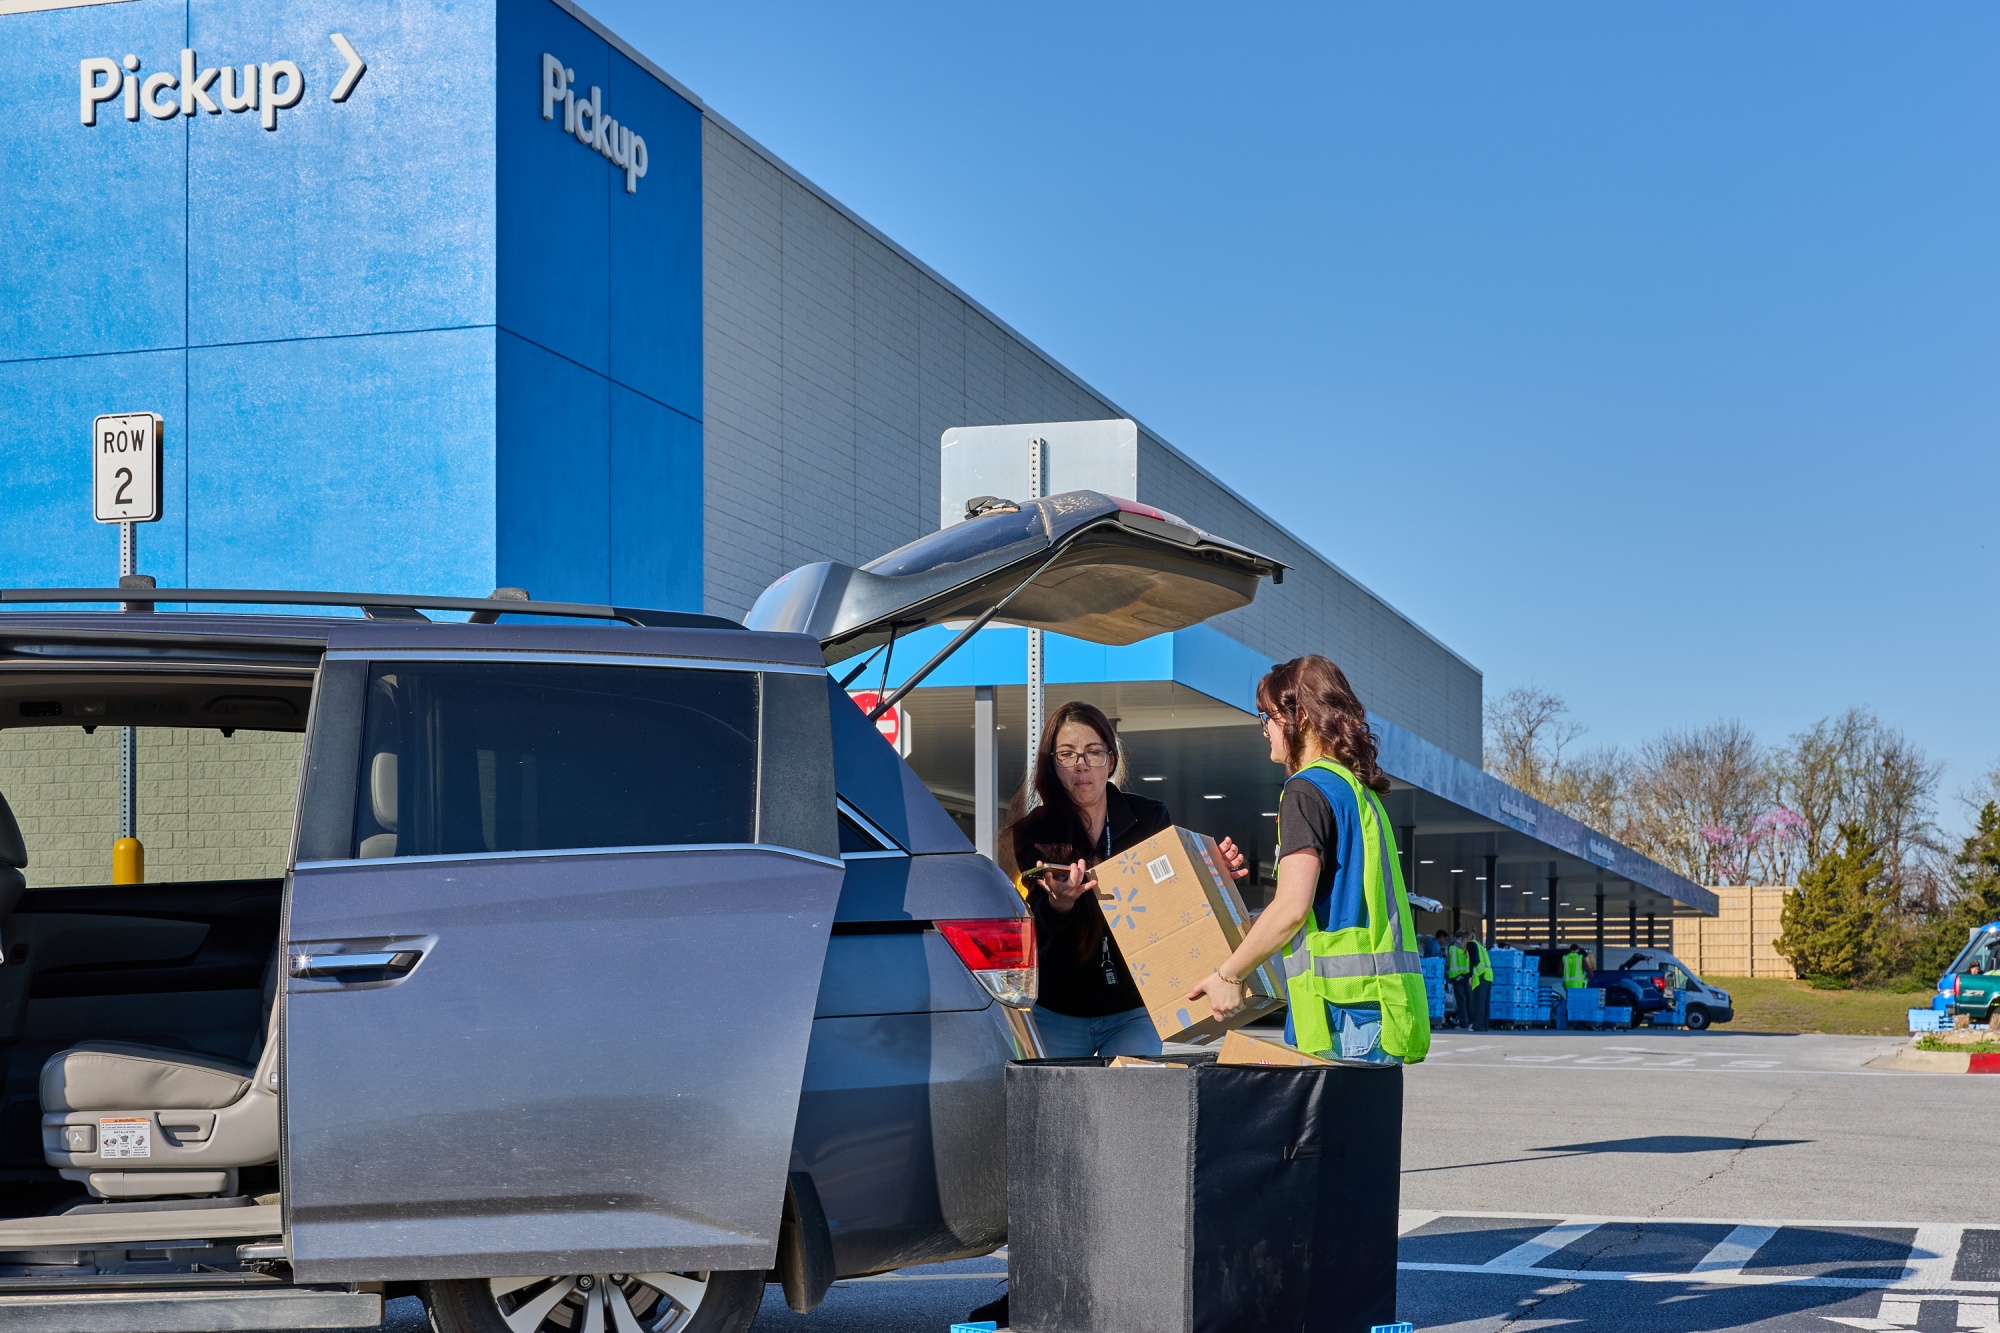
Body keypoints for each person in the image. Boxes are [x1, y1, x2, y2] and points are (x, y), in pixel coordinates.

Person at [1183, 655, 1430, 1065]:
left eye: (1267, 716)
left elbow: (1291, 907)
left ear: (1299, 716)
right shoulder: (1354, 789)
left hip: (1343, 1015)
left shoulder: (1305, 790)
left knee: (1332, 1130)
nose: (1265, 730)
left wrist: (1229, 975)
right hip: (1378, 1006)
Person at [1002, 700, 1247, 1059]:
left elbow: (1174, 898)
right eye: (1067, 754)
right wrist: (1061, 903)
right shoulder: (1033, 831)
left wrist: (1212, 873)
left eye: (1093, 752)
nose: (1082, 765)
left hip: (1133, 1007)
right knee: (1060, 1111)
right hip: (1058, 1010)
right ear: (1053, 766)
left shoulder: (1148, 816)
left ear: (1111, 761)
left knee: (1132, 1106)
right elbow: (1042, 922)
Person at [1464, 931, 1493, 1032]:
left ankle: (1478, 1026)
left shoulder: (1471, 944)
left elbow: (1473, 960)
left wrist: (1470, 975)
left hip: (1480, 975)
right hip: (1488, 975)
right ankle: (1484, 1025)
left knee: (1478, 1002)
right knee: (1485, 1003)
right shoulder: (1480, 945)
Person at [1445, 932, 1472, 1030]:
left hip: (1456, 978)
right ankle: (1469, 1022)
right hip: (1468, 977)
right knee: (1469, 1001)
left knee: (1461, 1002)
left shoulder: (1452, 948)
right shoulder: (1469, 947)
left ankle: (1463, 1024)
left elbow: (1448, 964)